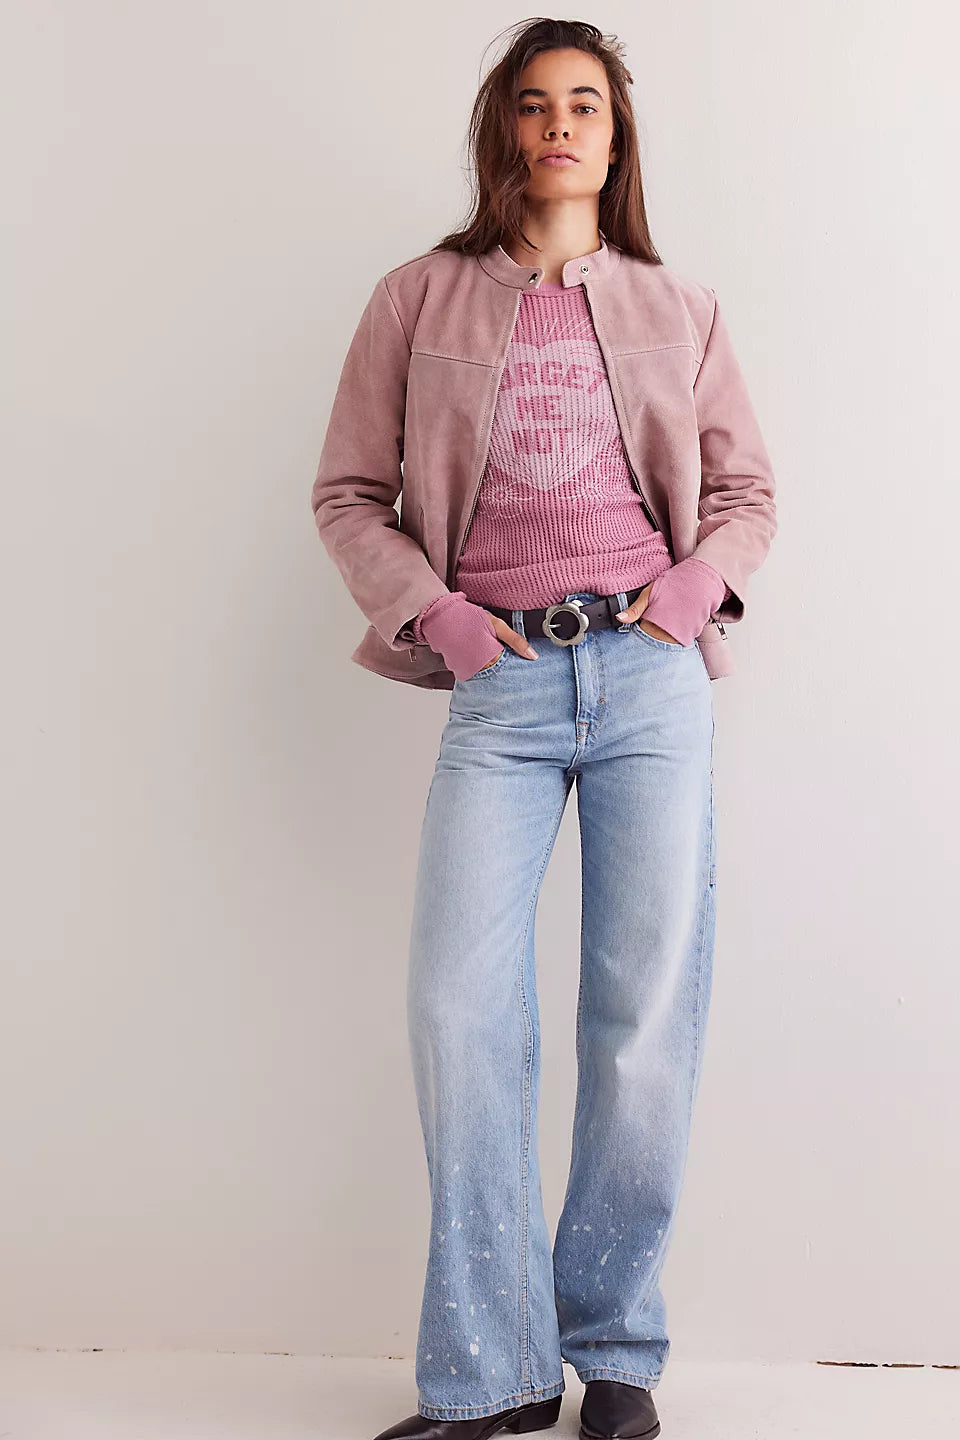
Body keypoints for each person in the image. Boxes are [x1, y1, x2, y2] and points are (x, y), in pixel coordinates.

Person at [311, 18, 777, 1440]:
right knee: (460, 1009)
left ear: (616, 136)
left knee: (641, 1018)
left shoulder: (679, 305)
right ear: (500, 130)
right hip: (502, 686)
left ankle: (615, 1350)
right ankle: (492, 1373)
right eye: (532, 103)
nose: (558, 125)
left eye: (584, 104)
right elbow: (348, 494)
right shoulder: (418, 297)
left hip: (648, 682)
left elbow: (746, 492)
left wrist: (695, 586)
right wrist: (435, 614)